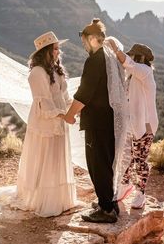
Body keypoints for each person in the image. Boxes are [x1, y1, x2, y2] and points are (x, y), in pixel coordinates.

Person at [13, 31, 76, 217]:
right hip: (45, 123)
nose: (58, 52)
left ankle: (60, 199)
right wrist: (64, 115)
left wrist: (75, 110)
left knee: (56, 157)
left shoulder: (57, 70)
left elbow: (64, 97)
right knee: (45, 157)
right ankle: (44, 200)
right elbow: (44, 104)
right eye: (55, 49)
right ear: (46, 51)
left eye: (58, 49)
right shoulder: (37, 73)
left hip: (60, 120)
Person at [64, 18, 118, 223]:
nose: (84, 45)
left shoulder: (95, 60)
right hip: (107, 120)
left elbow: (85, 92)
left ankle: (106, 210)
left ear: (94, 39)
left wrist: (70, 114)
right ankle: (108, 202)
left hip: (98, 122)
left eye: (85, 41)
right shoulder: (108, 57)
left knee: (97, 164)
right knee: (105, 162)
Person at [107, 40, 158, 209]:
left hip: (146, 123)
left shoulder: (145, 71)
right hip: (133, 122)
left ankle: (140, 193)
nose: (130, 57)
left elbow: (126, 63)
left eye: (133, 55)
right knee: (129, 156)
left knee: (140, 159)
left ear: (141, 57)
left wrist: (114, 47)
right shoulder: (135, 74)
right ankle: (124, 185)